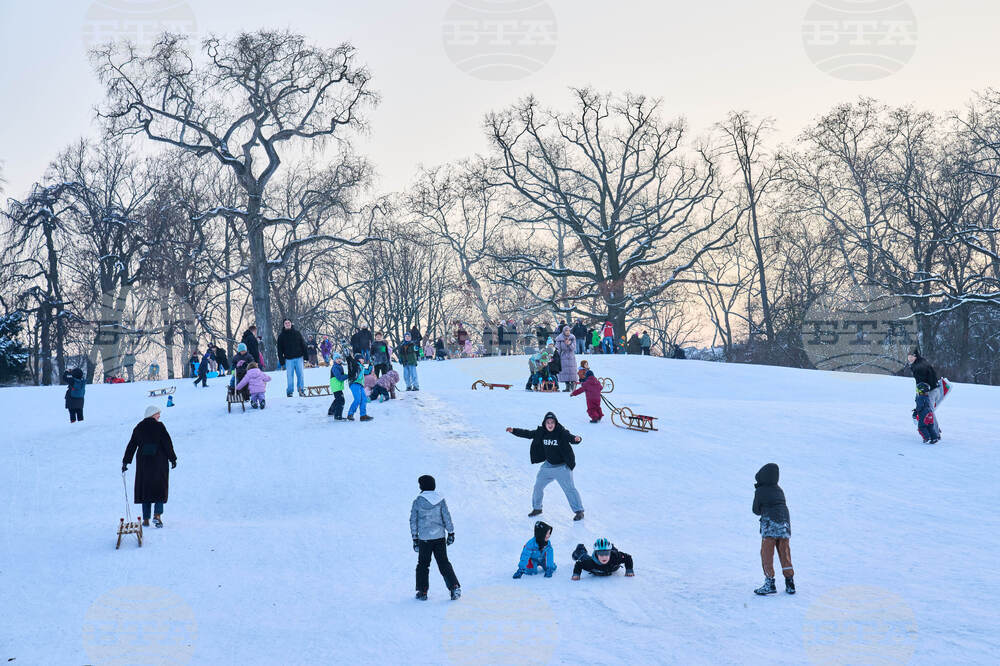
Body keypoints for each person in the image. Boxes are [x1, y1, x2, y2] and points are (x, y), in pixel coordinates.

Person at [506, 411, 585, 521]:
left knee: (570, 489)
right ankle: (537, 508)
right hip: (547, 466)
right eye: (548, 422)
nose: (550, 424)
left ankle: (579, 511)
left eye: (552, 422)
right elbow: (528, 434)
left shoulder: (561, 432)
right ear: (544, 423)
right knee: (538, 486)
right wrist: (514, 431)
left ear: (555, 423)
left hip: (562, 468)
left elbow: (571, 438)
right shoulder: (541, 432)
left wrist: (577, 439)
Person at [122, 405, 177, 528]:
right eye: (158, 414)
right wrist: (172, 459)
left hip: (144, 463)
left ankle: (145, 519)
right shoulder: (159, 426)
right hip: (159, 462)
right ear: (152, 414)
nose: (159, 416)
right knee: (159, 488)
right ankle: (157, 515)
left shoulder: (139, 427)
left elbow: (131, 445)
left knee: (145, 489)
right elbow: (167, 443)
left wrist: (126, 462)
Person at [410, 475, 461, 601]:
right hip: (439, 537)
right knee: (444, 563)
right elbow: (446, 516)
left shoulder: (417, 501)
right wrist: (451, 532)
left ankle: (422, 591)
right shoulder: (440, 500)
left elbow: (413, 521)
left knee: (423, 564)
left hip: (424, 539)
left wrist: (415, 538)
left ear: (422, 486)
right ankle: (454, 587)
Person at [752, 463, 794, 595]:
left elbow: (756, 510)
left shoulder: (760, 490)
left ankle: (769, 583)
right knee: (784, 553)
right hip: (784, 524)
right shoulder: (779, 489)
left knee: (767, 554)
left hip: (770, 525)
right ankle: (790, 583)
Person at [906, 347, 950, 432]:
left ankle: (935, 432)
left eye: (911, 356)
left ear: (916, 356)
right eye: (908, 357)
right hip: (933, 389)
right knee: (927, 411)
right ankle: (934, 429)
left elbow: (922, 381)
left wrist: (921, 394)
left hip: (931, 391)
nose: (910, 358)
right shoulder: (920, 362)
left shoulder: (918, 366)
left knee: (929, 412)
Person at [276, 318, 308, 397]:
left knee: (300, 375)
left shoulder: (297, 333)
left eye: (289, 323)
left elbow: (303, 345)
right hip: (288, 359)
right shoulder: (281, 336)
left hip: (299, 358)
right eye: (286, 323)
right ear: (284, 325)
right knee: (289, 376)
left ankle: (301, 390)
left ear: (291, 324)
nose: (287, 324)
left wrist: (306, 356)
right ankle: (289, 392)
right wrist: (282, 361)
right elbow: (279, 350)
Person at [346, 354, 373, 421]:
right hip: (354, 383)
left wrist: (371, 365)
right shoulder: (355, 364)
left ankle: (363, 415)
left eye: (363, 359)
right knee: (357, 399)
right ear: (358, 359)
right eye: (362, 358)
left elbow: (367, 372)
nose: (363, 360)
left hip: (360, 384)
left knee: (364, 399)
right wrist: (348, 355)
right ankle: (350, 414)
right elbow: (350, 360)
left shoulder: (362, 366)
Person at [554, 326, 578, 392]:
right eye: (566, 330)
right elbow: (558, 348)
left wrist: (569, 343)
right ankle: (567, 386)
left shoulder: (572, 338)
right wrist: (557, 356)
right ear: (563, 331)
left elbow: (573, 348)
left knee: (572, 371)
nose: (568, 332)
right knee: (565, 372)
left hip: (571, 356)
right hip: (563, 356)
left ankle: (572, 385)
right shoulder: (559, 338)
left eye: (568, 330)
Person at [327, 353, 348, 420]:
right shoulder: (335, 367)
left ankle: (331, 411)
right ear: (334, 360)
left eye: (339, 358)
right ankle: (338, 416)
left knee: (338, 399)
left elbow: (341, 374)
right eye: (337, 358)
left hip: (337, 386)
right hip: (336, 386)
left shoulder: (339, 366)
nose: (339, 360)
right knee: (341, 400)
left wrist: (347, 375)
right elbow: (339, 377)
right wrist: (348, 376)